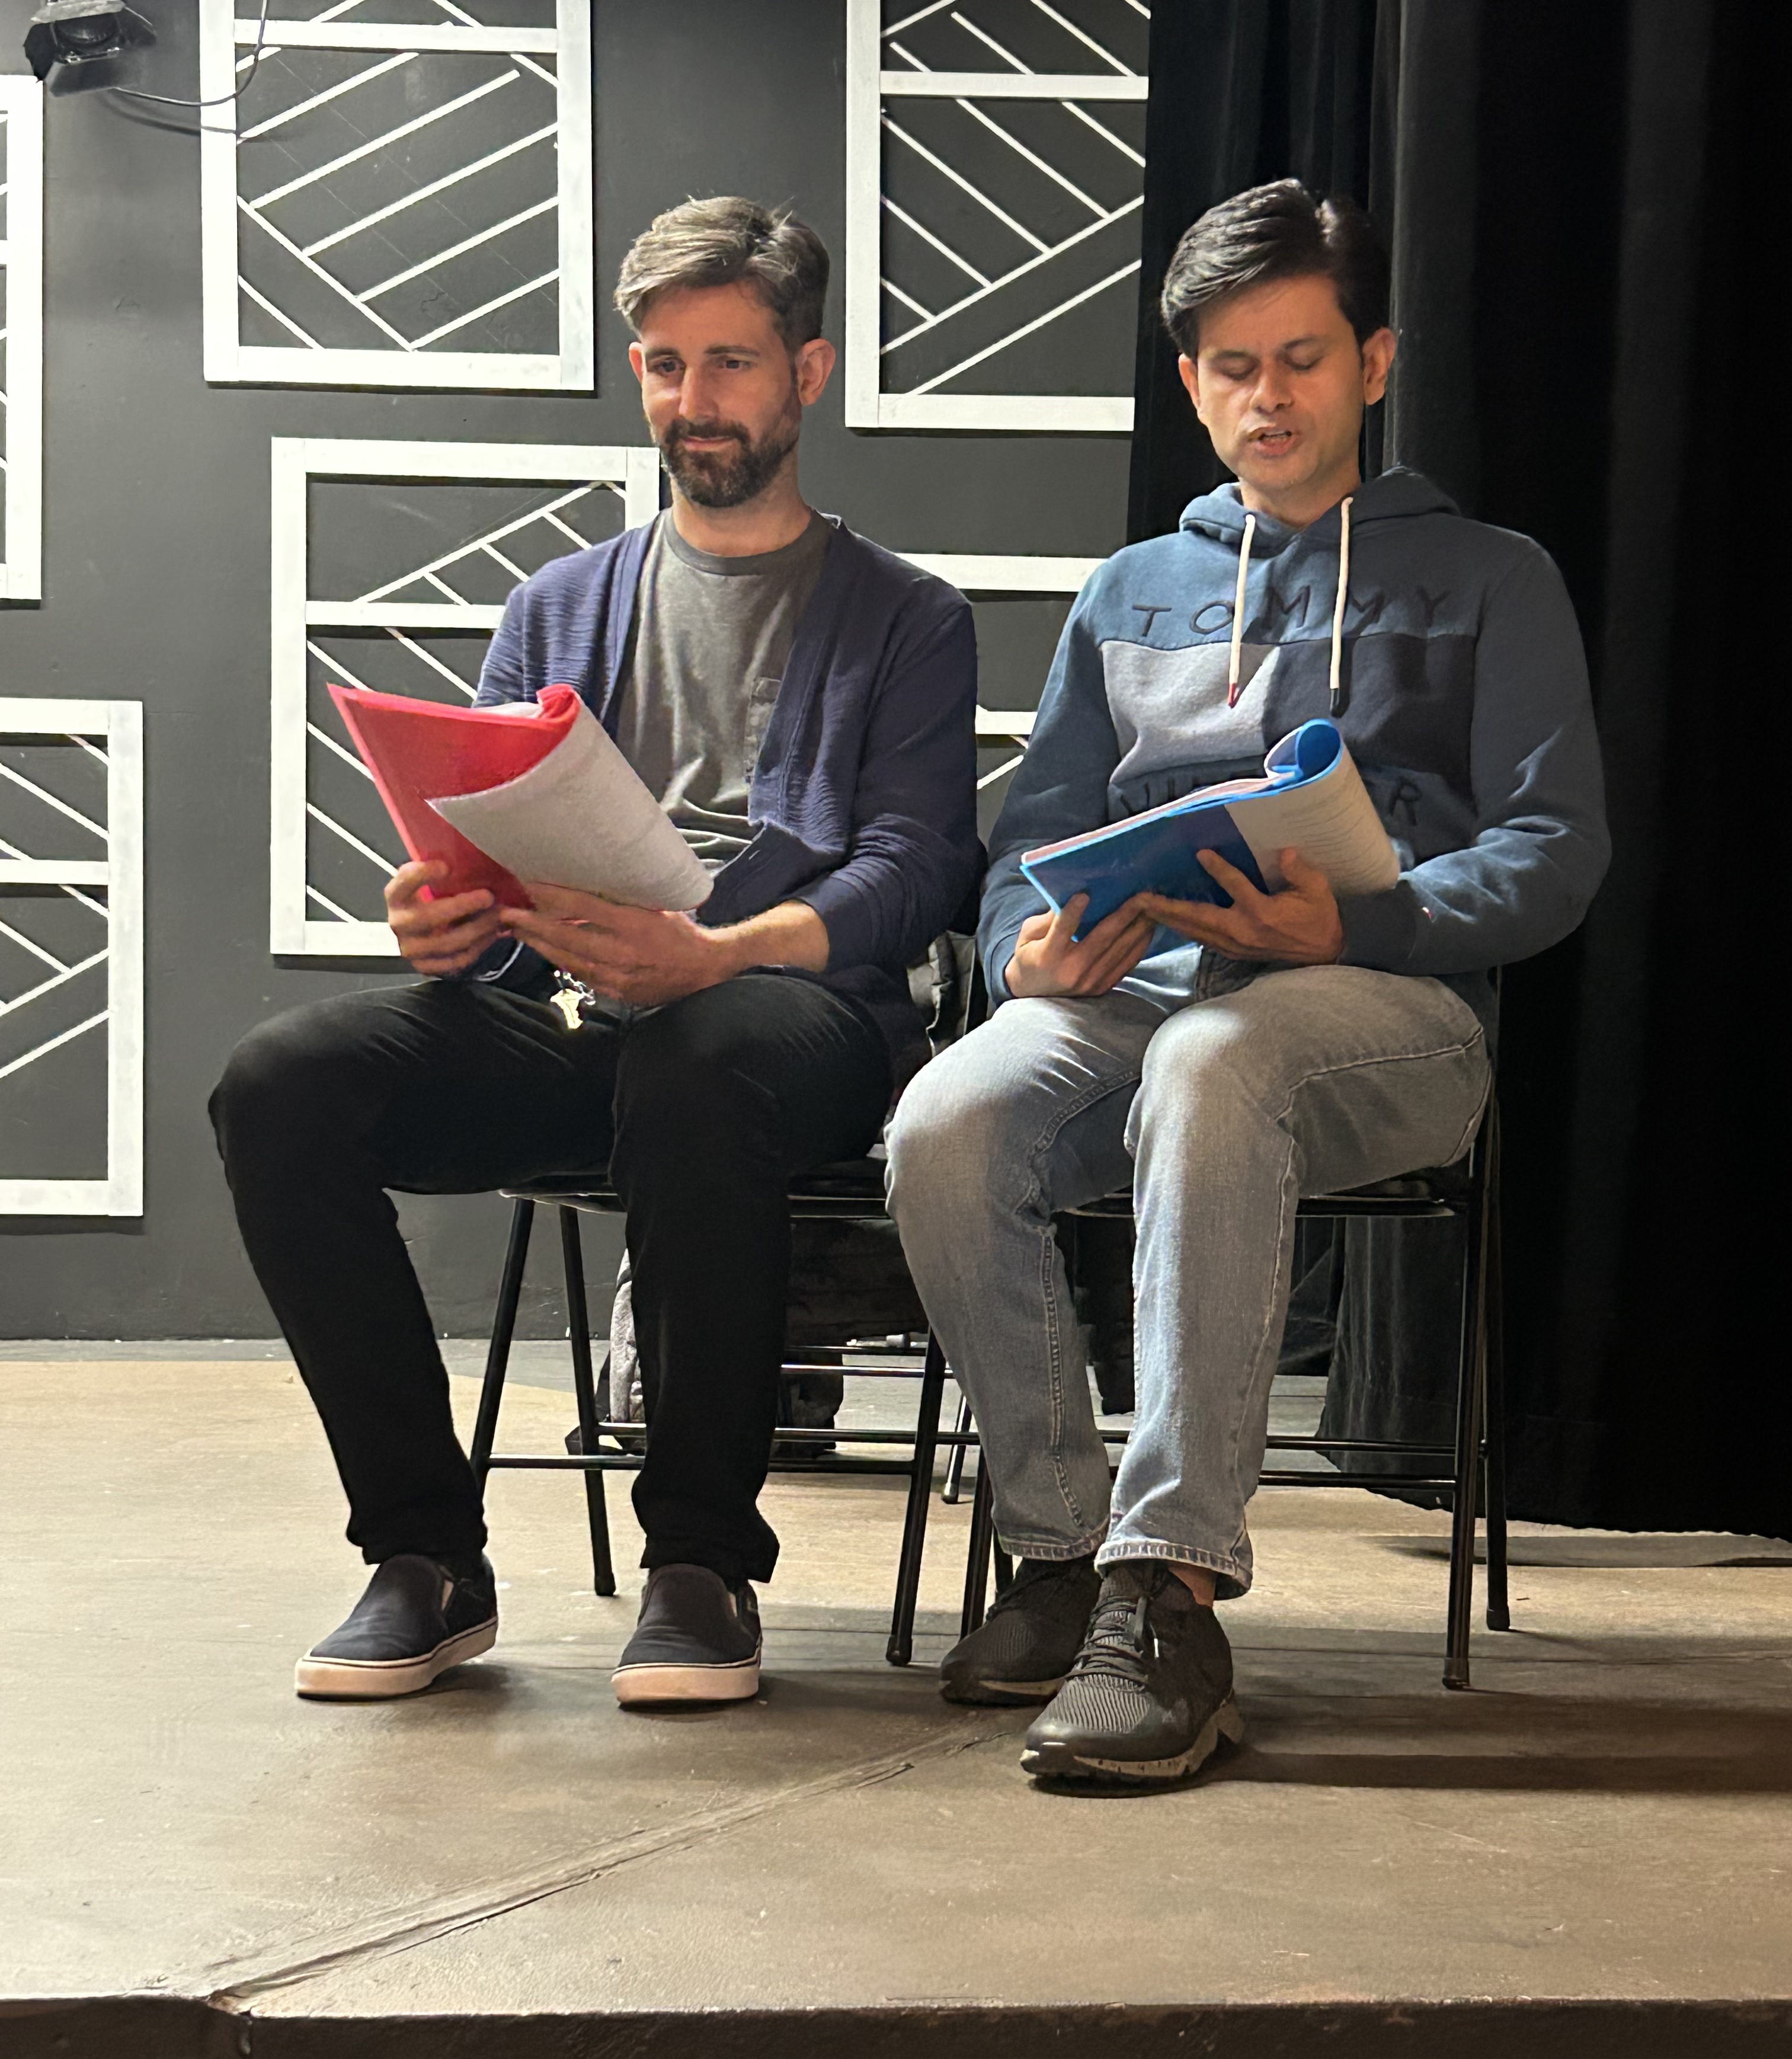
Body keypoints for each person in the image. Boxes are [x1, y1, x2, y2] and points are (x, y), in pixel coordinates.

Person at [886, 180, 1608, 1788]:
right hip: (1135, 998)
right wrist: (1027, 947)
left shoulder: (1493, 578)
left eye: (1301, 358)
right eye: (1232, 367)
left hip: (1387, 1020)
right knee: (946, 1119)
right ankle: (1061, 1552)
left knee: (1218, 1059)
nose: (1267, 397)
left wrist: (1358, 922)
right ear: (1192, 382)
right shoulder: (1130, 590)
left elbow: (1557, 852)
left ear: (1374, 363)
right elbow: (1034, 838)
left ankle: (1170, 1596)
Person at [212, 199, 978, 1709]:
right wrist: (446, 918)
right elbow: (486, 848)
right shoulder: (556, 606)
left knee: (700, 1055)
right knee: (278, 1084)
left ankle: (700, 1563)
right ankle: (423, 1556)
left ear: (808, 371)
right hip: (573, 1012)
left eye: (733, 363)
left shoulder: (909, 618)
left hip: (790, 1018)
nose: (697, 401)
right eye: (666, 366)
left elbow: (915, 873)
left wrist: (720, 950)